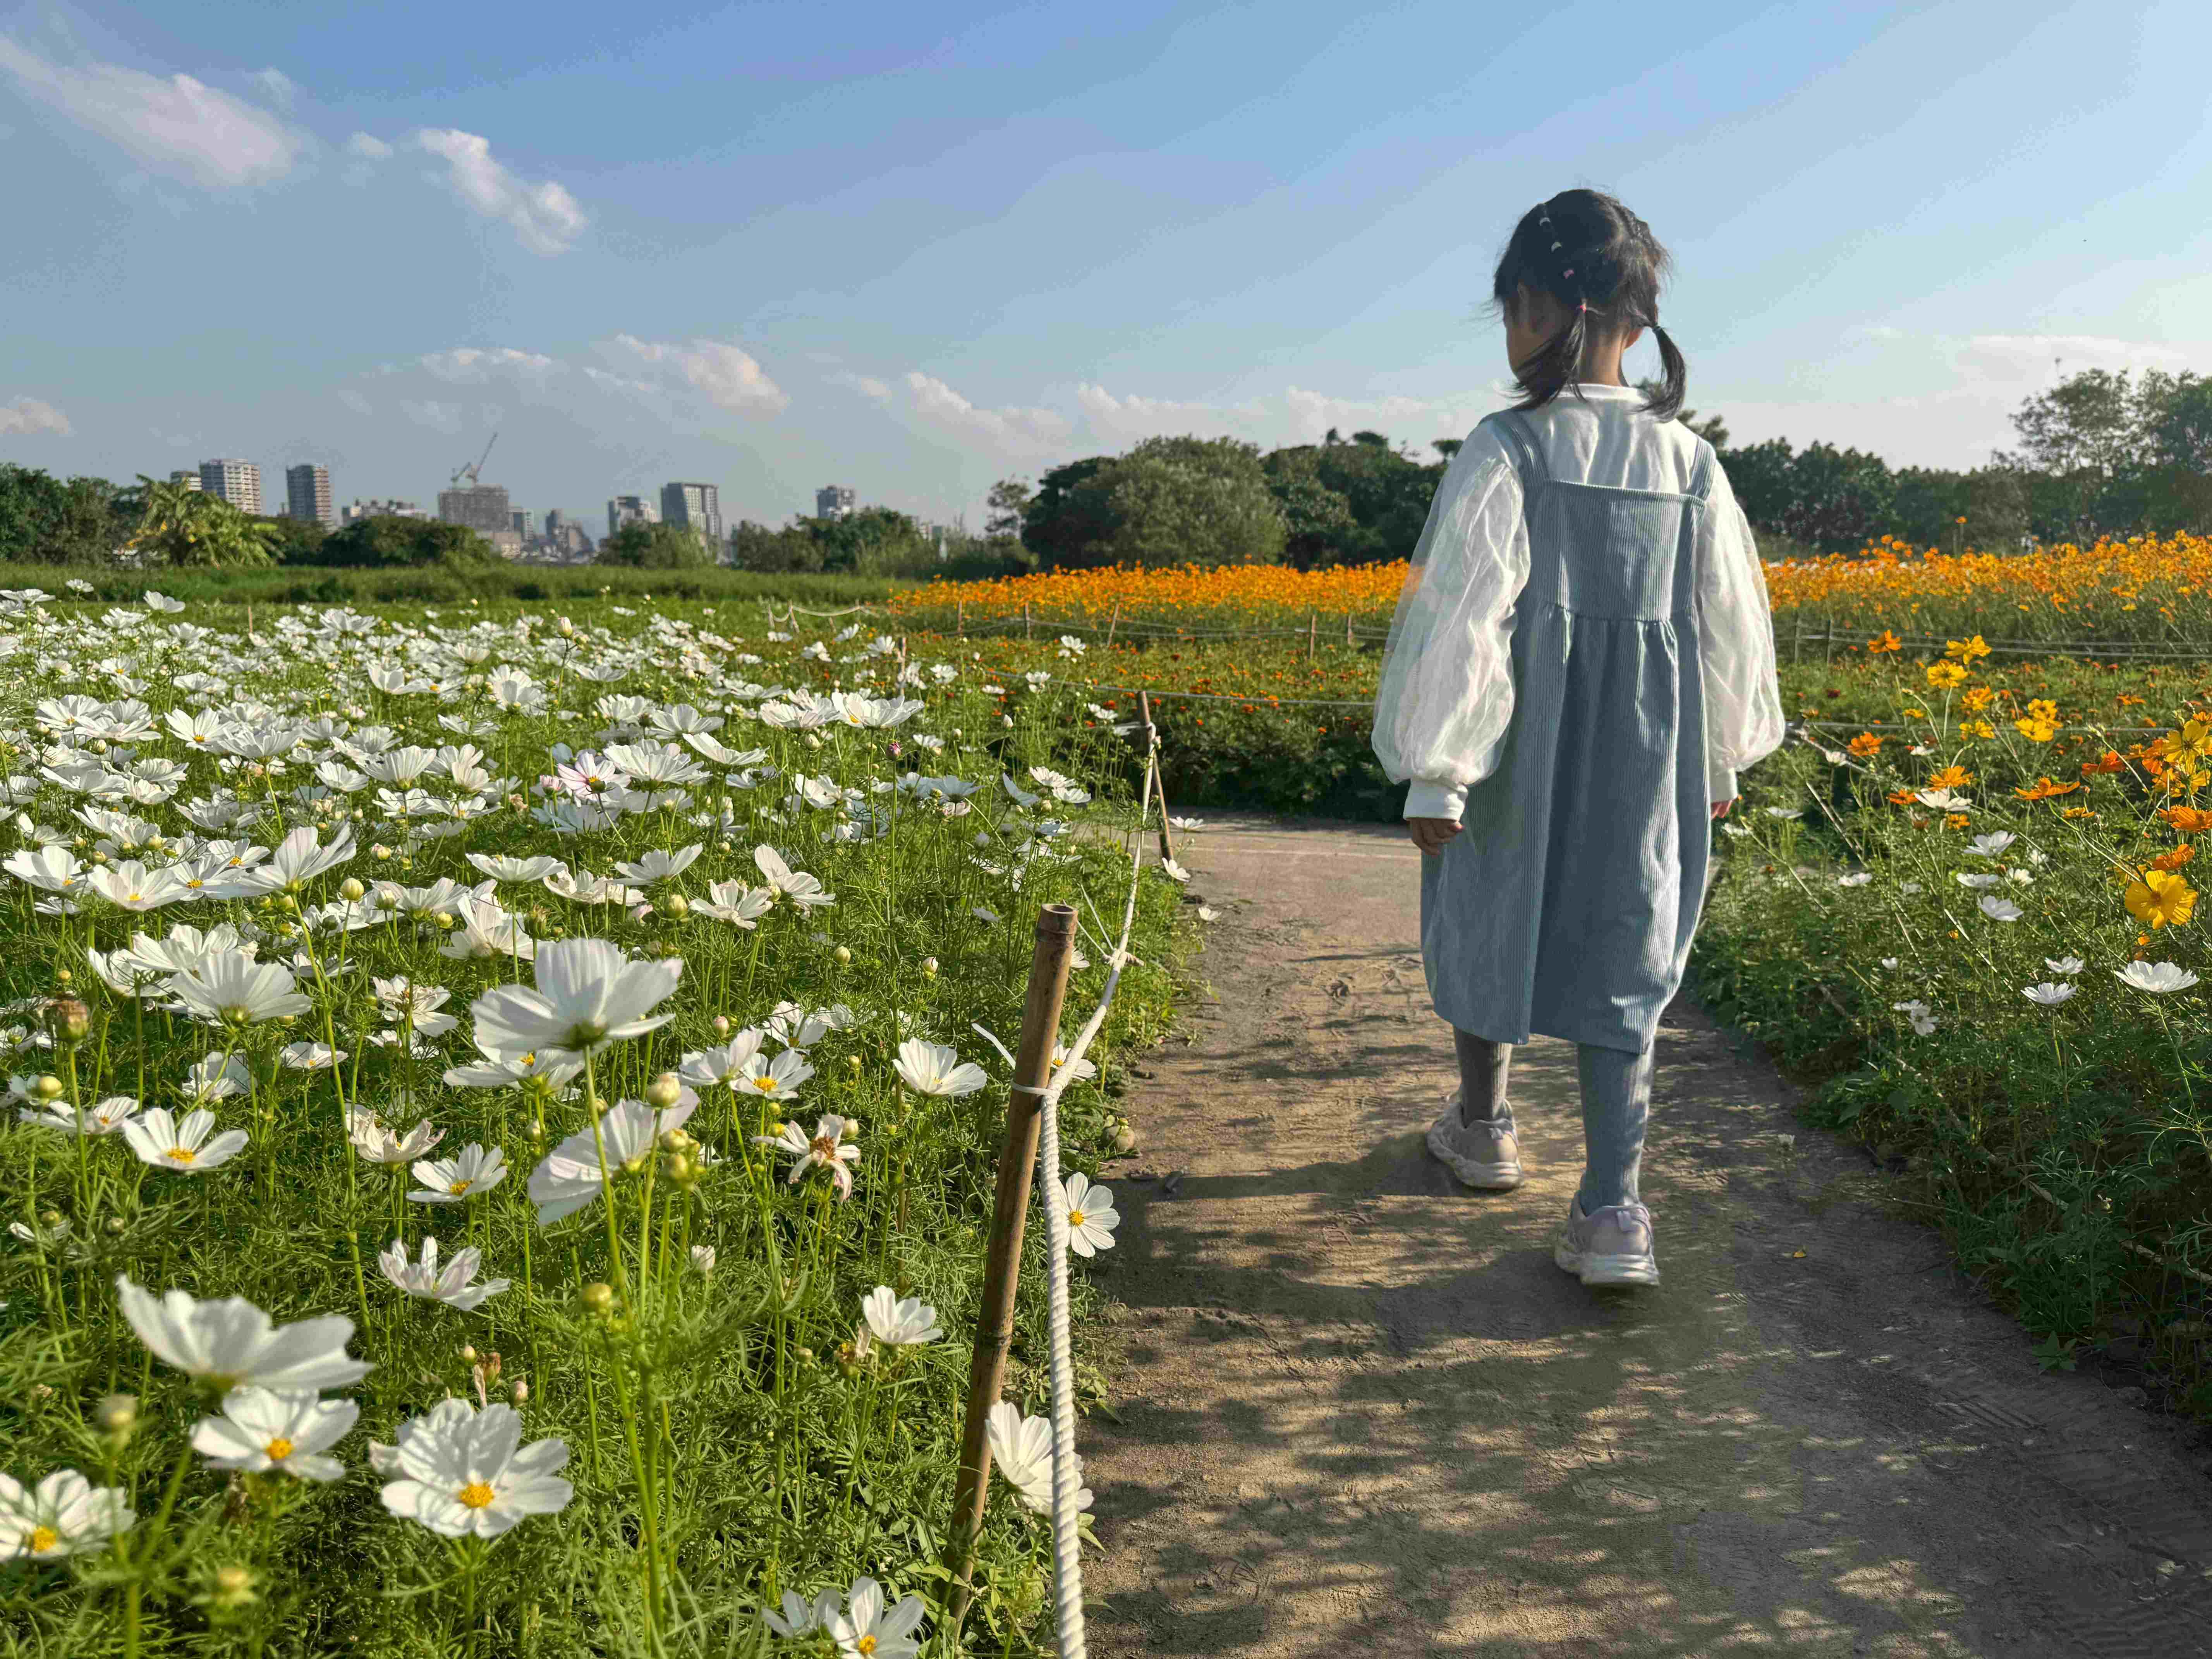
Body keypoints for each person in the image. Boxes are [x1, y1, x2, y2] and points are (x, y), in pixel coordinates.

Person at [1370, 188, 1785, 1289]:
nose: (1515, 328)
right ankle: (1611, 1207)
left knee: (1487, 907)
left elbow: (1469, 611)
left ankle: (1486, 1122)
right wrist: (1719, 755)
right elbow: (1722, 624)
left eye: (1524, 305)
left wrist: (1439, 765)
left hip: (1517, 739)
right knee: (1628, 945)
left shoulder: (1507, 449)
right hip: (1646, 758)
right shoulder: (1691, 464)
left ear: (1563, 313)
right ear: (1638, 327)